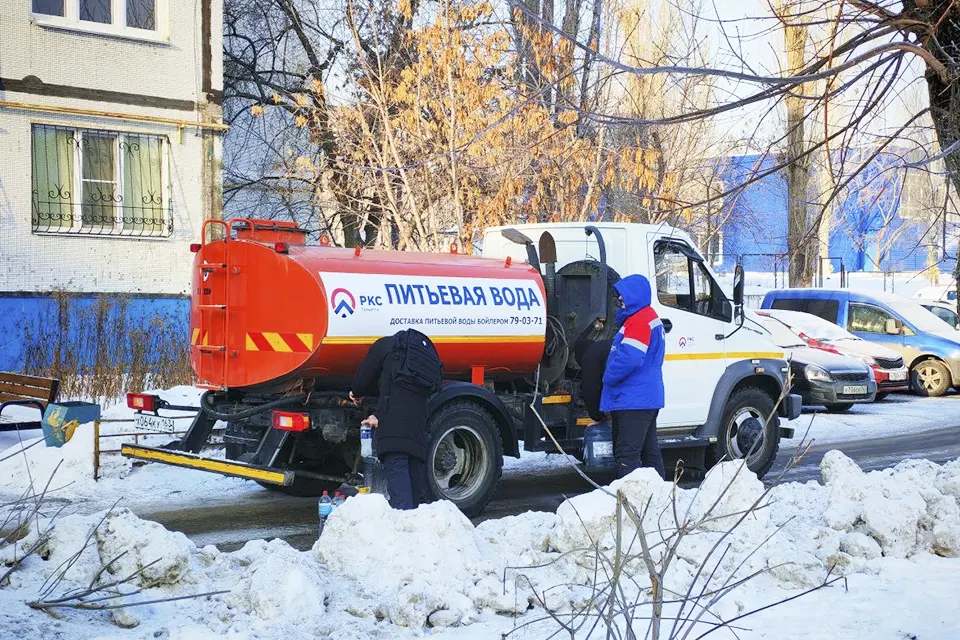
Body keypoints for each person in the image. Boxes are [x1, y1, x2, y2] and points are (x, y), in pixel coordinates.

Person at [349, 330, 437, 510]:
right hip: (419, 423)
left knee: (399, 481)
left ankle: (403, 525)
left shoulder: (385, 346)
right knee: (414, 478)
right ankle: (416, 525)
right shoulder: (423, 354)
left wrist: (355, 393)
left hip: (393, 425)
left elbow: (363, 377)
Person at [600, 274, 666, 479]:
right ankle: (661, 501)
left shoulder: (638, 321)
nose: (620, 300)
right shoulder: (647, 317)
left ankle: (630, 504)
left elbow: (631, 358)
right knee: (649, 453)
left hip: (633, 399)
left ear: (634, 295)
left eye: (623, 296)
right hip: (643, 397)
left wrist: (608, 377)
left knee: (626, 455)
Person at [574, 338, 613, 423]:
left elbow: (591, 388)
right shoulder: (606, 347)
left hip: (620, 406)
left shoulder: (590, 355)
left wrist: (596, 415)